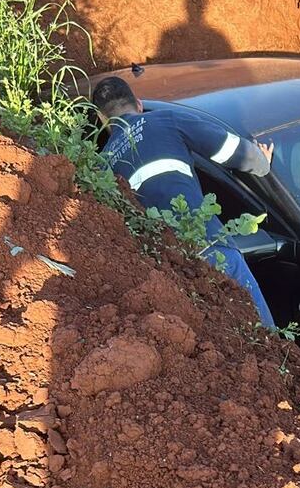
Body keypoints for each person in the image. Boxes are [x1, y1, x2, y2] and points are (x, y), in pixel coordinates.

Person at [92, 76, 275, 327]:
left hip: (169, 273)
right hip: (213, 248)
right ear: (138, 103)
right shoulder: (166, 120)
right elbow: (236, 152)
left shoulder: (102, 166)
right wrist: (262, 162)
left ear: (103, 120)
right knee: (267, 342)